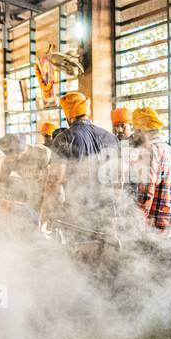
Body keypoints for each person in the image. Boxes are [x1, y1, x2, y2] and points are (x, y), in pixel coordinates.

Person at [41, 92, 120, 240]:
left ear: (69, 116)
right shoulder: (111, 138)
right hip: (108, 213)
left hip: (79, 214)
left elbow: (55, 180)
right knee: (107, 257)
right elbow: (119, 179)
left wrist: (46, 211)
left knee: (80, 258)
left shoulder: (64, 138)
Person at [129, 106, 171, 236]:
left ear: (142, 130)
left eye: (135, 131)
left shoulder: (150, 150)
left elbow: (146, 192)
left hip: (156, 227)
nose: (134, 135)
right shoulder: (170, 150)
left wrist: (137, 223)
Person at [0, 133, 51, 210]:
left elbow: (50, 181)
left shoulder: (42, 152)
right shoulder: (7, 161)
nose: (15, 157)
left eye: (18, 153)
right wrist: (0, 199)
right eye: (10, 155)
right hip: (30, 193)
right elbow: (2, 182)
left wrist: (43, 207)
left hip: (51, 194)